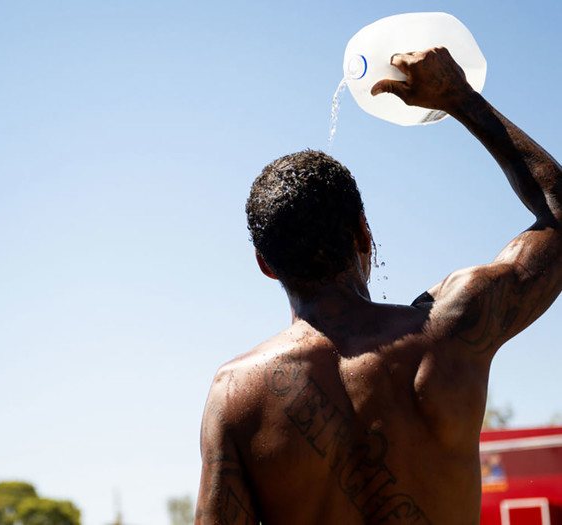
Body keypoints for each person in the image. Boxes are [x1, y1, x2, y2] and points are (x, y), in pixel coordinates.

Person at [194, 47, 562, 524]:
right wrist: (460, 98)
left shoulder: (236, 396)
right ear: (364, 233)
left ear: (266, 264)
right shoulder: (449, 330)